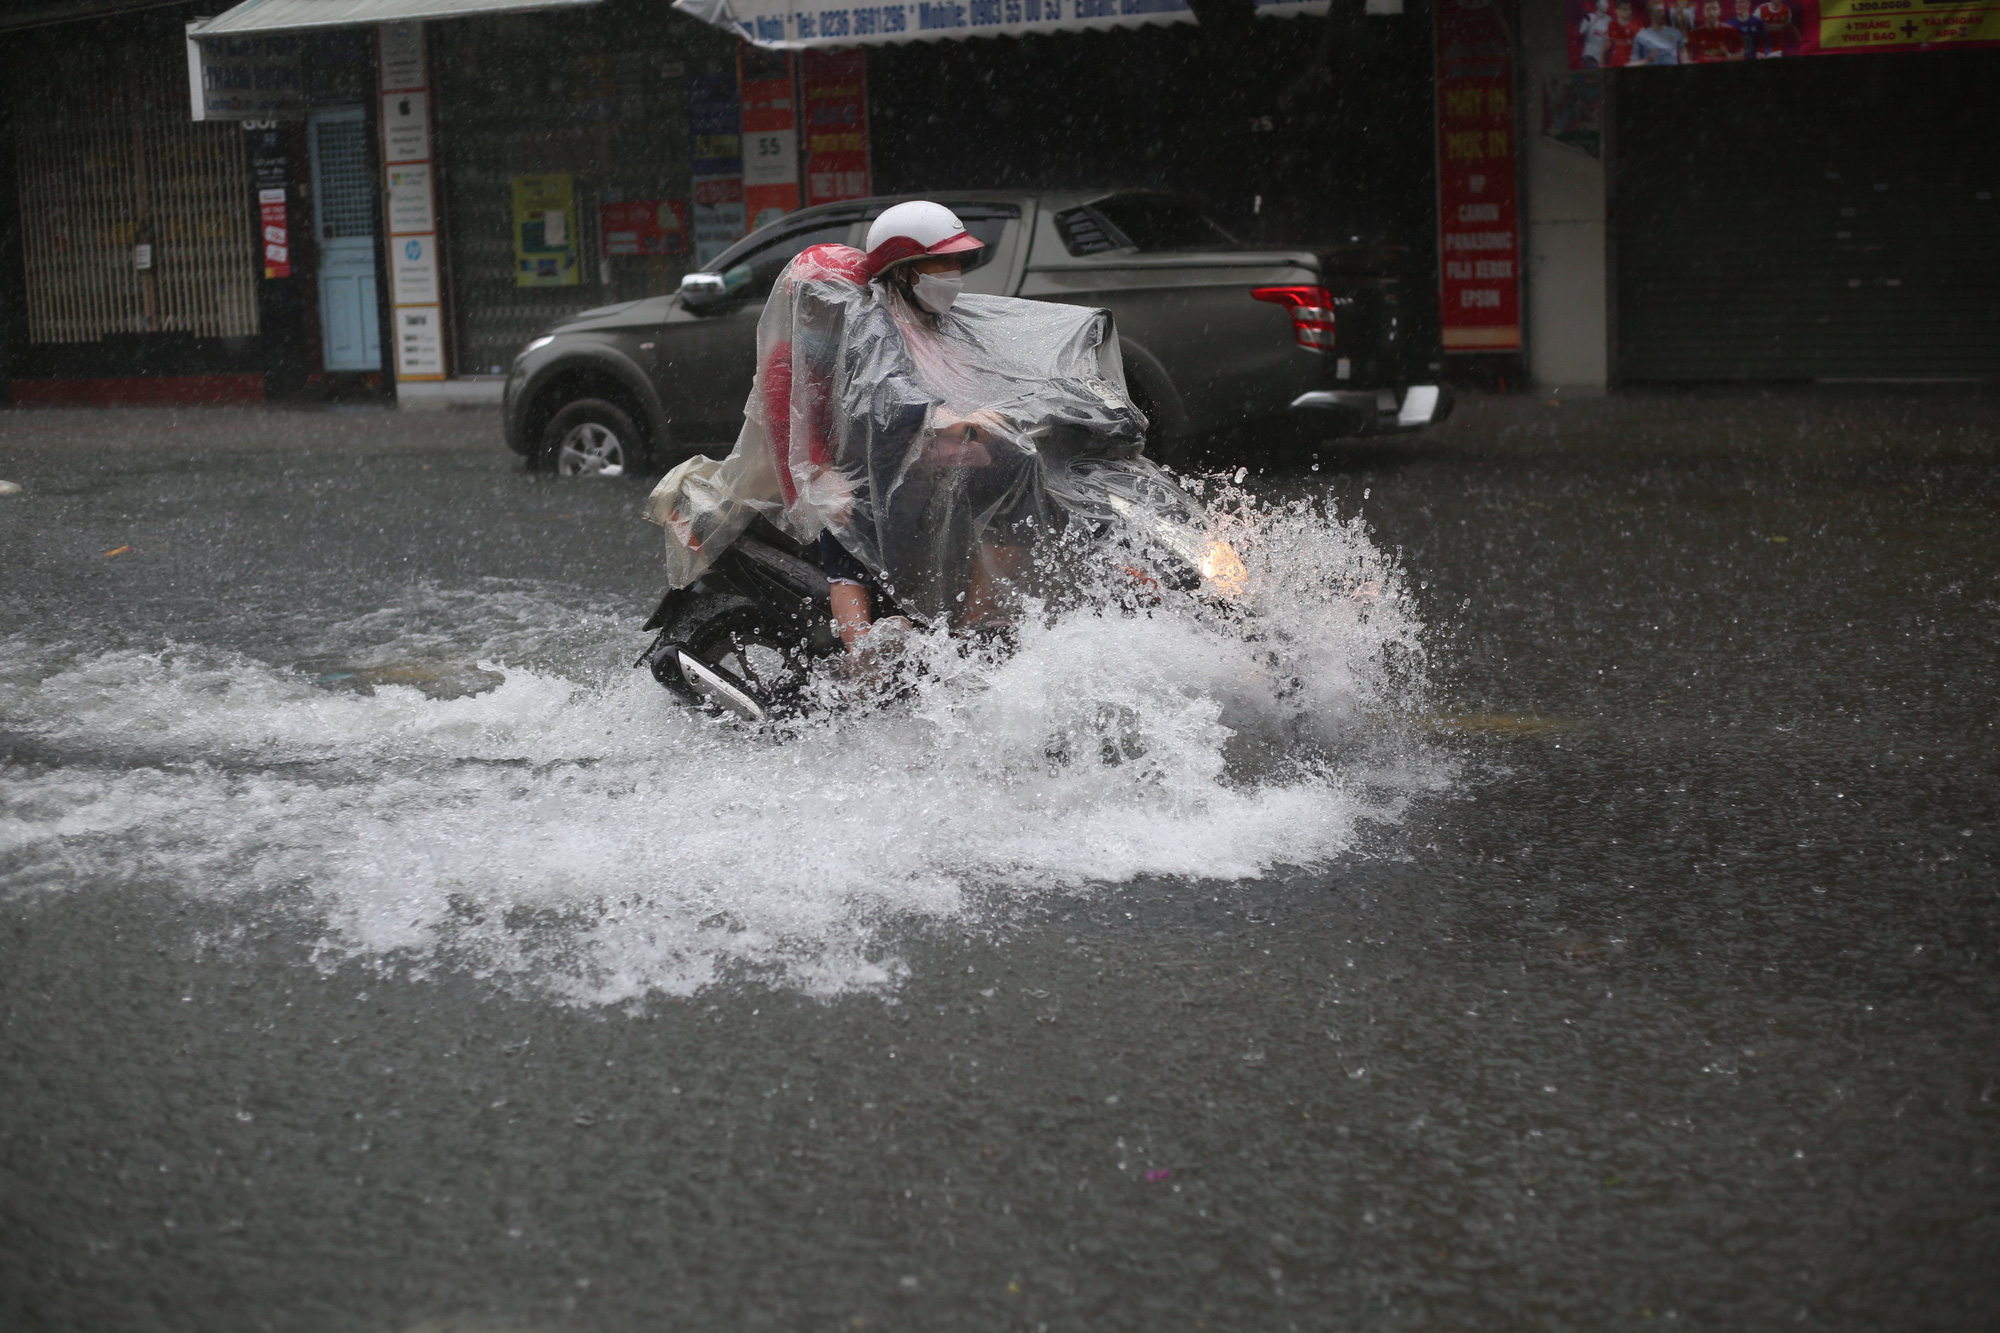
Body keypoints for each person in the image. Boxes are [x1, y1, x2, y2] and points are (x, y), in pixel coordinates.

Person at [1604, 1, 1642, 66]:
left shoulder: (1638, 24)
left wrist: (1633, 43)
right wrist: (1601, 57)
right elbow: (1608, 42)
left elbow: (1644, 44)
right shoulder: (1612, 24)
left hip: (1633, 62)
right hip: (1617, 62)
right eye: (1625, 9)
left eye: (1629, 9)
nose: (1628, 12)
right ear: (1617, 11)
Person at [1578, 0, 1613, 67]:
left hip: (1601, 56)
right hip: (1589, 55)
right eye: (1604, 1)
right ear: (1597, 3)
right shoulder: (1589, 17)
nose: (1607, 4)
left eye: (1607, 2)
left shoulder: (1609, 19)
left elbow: (1609, 39)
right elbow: (1581, 32)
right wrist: (1589, 22)